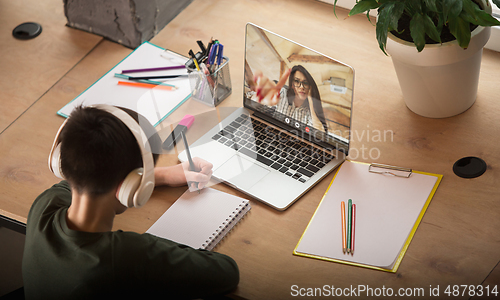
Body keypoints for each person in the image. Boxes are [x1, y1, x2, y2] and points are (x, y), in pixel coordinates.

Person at [22, 105, 239, 299]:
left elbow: (90, 172)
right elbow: (227, 273)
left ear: (61, 163)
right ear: (134, 188)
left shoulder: (44, 206)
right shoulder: (125, 257)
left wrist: (161, 175)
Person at [248, 65, 328, 132]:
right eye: (297, 81)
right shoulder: (282, 93)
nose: (301, 87)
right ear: (292, 85)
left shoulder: (309, 112)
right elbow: (251, 100)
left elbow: (319, 134)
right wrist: (260, 98)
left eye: (305, 83)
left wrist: (311, 99)